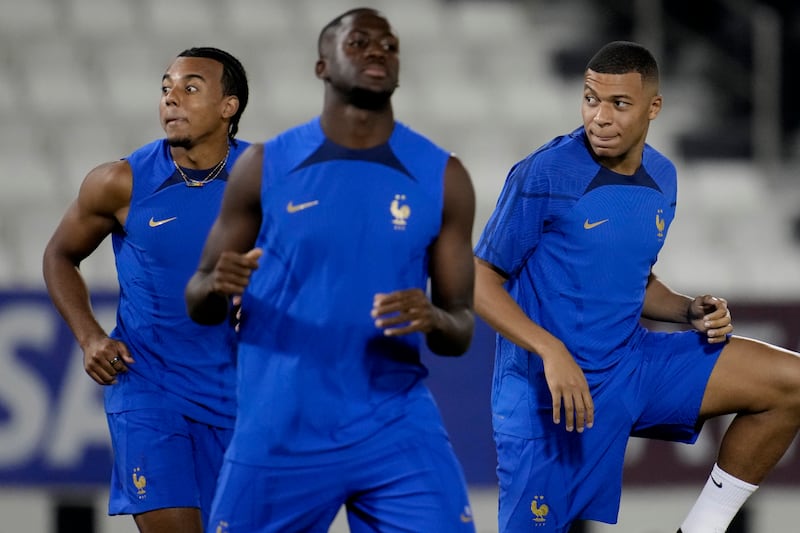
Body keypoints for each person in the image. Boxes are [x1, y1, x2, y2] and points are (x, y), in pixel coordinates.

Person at [473, 40, 800, 533]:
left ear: (654, 107)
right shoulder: (545, 173)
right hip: (547, 395)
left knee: (790, 383)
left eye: (619, 104)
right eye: (590, 99)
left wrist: (689, 309)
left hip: (631, 367)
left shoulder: (663, 177)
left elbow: (633, 280)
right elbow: (478, 280)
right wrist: (551, 352)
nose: (599, 117)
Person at [185, 8, 477, 533]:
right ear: (322, 65)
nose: (377, 52)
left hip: (395, 426)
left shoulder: (443, 175)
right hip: (281, 428)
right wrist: (217, 284)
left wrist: (434, 317)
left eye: (389, 46)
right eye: (359, 42)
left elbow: (461, 328)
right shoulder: (266, 165)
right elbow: (200, 297)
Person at [42, 47, 250, 533]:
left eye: (190, 88)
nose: (171, 99)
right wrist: (90, 336)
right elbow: (59, 255)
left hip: (242, 395)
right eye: (165, 88)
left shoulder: (268, 181)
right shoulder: (119, 182)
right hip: (150, 389)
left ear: (229, 106)